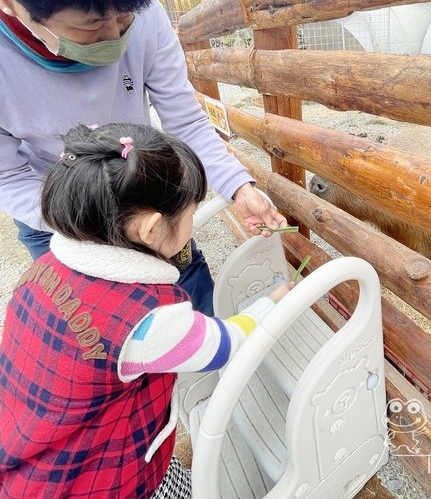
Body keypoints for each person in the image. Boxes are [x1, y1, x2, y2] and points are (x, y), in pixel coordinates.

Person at [0, 0, 286, 315]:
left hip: (147, 190)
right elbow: (9, 177)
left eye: (125, 18)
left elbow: (184, 120)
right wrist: (99, 229)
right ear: (9, 0)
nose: (117, 39)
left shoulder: (143, 15)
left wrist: (238, 186)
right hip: (62, 213)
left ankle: (209, 365)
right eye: (92, 25)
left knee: (189, 299)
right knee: (107, 326)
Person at [0, 123, 293, 498]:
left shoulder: (44, 271)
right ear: (151, 229)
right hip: (105, 478)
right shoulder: (149, 321)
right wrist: (271, 304)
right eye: (191, 213)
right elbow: (224, 344)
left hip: (34, 455)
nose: (191, 222)